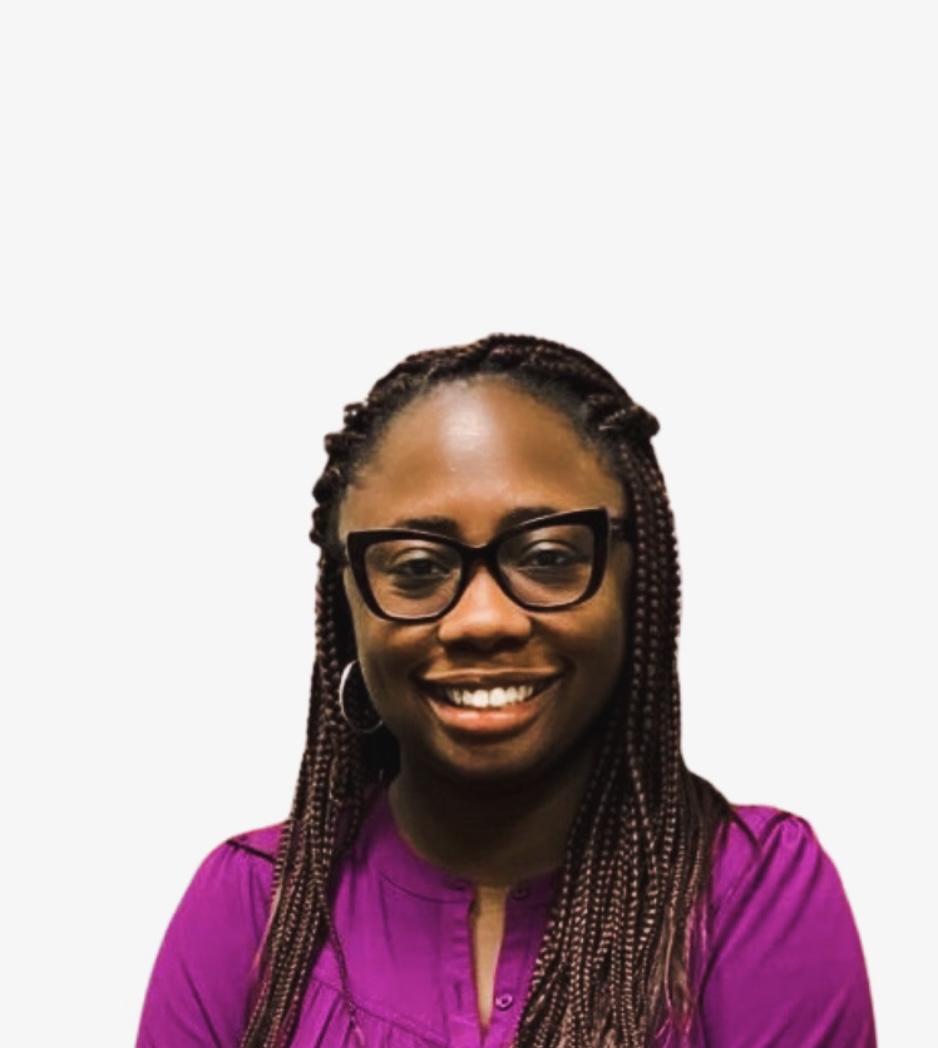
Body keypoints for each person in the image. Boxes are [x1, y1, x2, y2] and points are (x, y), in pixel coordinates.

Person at [137, 334, 876, 1047]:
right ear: (348, 602)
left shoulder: (751, 891)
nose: (483, 619)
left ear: (636, 580)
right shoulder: (252, 907)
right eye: (417, 567)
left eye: (548, 556)